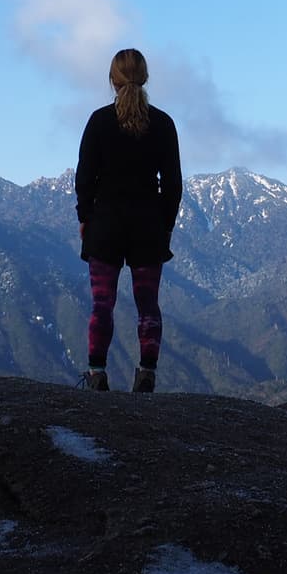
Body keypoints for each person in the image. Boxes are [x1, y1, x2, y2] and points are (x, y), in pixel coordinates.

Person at [75, 48, 182, 392]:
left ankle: (96, 373)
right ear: (146, 77)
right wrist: (165, 224)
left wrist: (86, 218)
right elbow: (173, 185)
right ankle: (146, 372)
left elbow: (84, 179)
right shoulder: (163, 124)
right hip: (148, 225)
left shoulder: (99, 121)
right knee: (148, 304)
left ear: (112, 79)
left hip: (105, 225)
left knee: (102, 303)